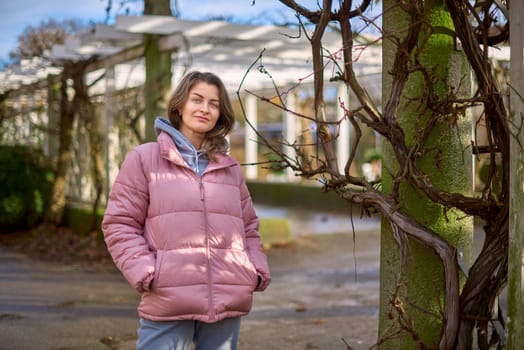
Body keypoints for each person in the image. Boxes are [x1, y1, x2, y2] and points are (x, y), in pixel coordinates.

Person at [102, 71, 271, 350]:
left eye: (214, 104)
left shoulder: (229, 168)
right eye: (197, 99)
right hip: (169, 296)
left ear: (220, 113)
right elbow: (119, 223)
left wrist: (253, 269)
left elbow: (249, 227)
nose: (205, 108)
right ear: (179, 105)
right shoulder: (145, 158)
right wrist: (146, 271)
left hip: (227, 297)